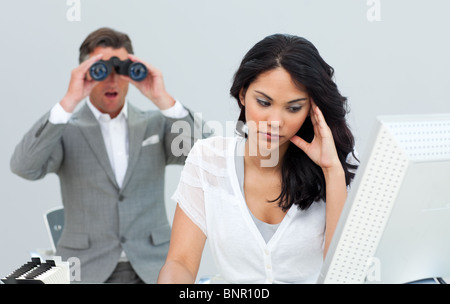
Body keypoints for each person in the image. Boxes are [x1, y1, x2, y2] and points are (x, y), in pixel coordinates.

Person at [10, 27, 208, 283]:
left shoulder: (155, 124)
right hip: (86, 270)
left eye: (121, 70)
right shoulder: (65, 129)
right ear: (85, 73)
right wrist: (69, 101)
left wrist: (163, 100)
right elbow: (24, 166)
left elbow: (207, 156)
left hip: (154, 268)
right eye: (100, 70)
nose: (111, 80)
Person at [157, 34, 359, 284]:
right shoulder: (208, 159)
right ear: (243, 95)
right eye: (263, 103)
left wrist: (332, 171)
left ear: (311, 110)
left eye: (293, 108)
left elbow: (344, 274)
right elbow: (181, 262)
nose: (275, 121)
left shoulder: (340, 165)